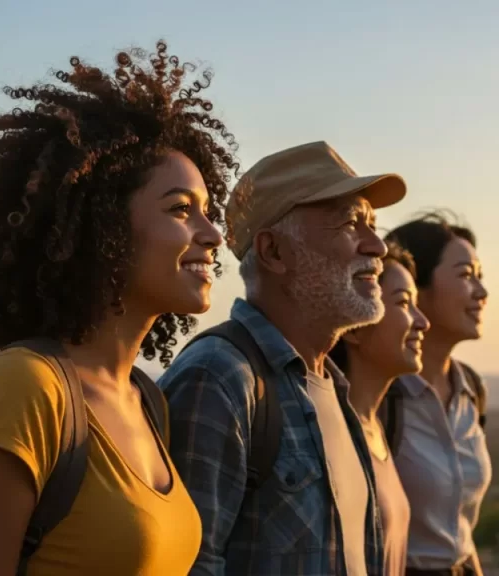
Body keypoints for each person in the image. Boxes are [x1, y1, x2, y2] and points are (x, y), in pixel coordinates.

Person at [0, 41, 240, 576]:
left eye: (208, 211)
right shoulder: (25, 389)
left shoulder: (147, 401)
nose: (212, 234)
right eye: (182, 209)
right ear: (103, 226)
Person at [159, 141, 406, 576]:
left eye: (373, 224)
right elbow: (188, 566)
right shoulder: (218, 380)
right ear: (274, 252)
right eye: (351, 223)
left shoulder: (333, 386)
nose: (377, 247)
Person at [383, 212, 492, 576]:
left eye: (480, 277)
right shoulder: (380, 396)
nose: (481, 292)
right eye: (465, 275)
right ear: (415, 287)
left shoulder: (471, 391)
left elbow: (460, 527)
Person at [329, 242, 430, 576]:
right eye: (403, 303)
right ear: (356, 327)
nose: (422, 322)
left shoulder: (376, 427)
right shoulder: (332, 434)